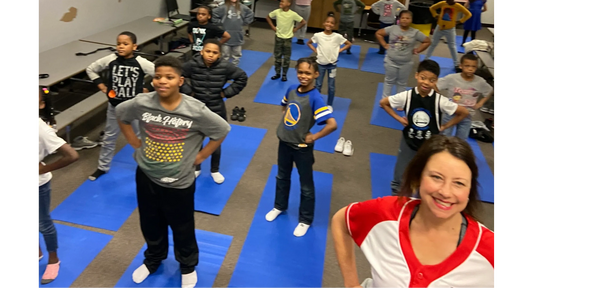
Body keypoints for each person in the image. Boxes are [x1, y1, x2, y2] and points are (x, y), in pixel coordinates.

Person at [116, 56, 231, 291]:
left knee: (182, 226)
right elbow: (121, 114)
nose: (162, 81)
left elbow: (221, 130)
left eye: (169, 77)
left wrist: (200, 157)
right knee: (149, 223)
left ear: (180, 80)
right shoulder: (142, 102)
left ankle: (187, 266)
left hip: (179, 182)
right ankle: (153, 259)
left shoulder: (195, 110)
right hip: (147, 176)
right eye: (158, 76)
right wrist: (133, 140)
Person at [331, 135, 497, 291]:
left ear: (469, 190)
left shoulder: (489, 249)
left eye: (459, 183)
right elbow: (342, 221)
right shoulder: (386, 215)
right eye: (437, 177)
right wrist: (351, 285)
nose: (446, 192)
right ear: (418, 178)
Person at [265, 56, 338, 238]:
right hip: (284, 142)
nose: (303, 76)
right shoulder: (291, 89)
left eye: (307, 73)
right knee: (282, 176)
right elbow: (285, 107)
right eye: (300, 72)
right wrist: (286, 126)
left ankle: (305, 219)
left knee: (306, 184)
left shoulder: (315, 98)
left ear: (315, 74)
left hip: (302, 147)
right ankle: (279, 206)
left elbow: (332, 124)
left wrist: (314, 136)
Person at [379, 59, 469, 195]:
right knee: (401, 171)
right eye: (423, 78)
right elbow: (384, 102)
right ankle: (397, 196)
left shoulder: (439, 100)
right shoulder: (407, 96)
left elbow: (463, 112)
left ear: (436, 81)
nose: (426, 83)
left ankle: (422, 198)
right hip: (409, 140)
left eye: (431, 80)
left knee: (428, 172)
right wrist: (399, 119)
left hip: (430, 145)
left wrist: (445, 126)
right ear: (416, 76)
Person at [86, 31, 155, 181]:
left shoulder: (141, 62)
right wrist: (102, 86)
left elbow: (159, 74)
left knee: (140, 137)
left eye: (125, 44)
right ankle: (102, 167)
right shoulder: (111, 59)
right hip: (115, 107)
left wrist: (148, 88)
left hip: (134, 108)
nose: (121, 47)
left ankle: (146, 166)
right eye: (118, 44)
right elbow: (91, 69)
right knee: (109, 138)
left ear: (134, 46)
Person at [181, 39, 248, 182]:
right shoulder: (192, 64)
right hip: (195, 107)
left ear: (219, 55)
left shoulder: (225, 67)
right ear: (202, 51)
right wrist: (188, 92)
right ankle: (196, 168)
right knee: (195, 139)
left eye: (214, 52)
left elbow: (242, 77)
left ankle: (214, 170)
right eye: (208, 51)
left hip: (216, 107)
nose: (210, 55)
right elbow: (177, 76)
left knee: (216, 140)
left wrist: (225, 93)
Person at [36, 86, 79, 285]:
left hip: (38, 186)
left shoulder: (40, 128)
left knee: (43, 223)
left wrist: (42, 169)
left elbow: (71, 155)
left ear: (41, 104)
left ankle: (53, 259)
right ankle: (36, 250)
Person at [435, 53, 493, 140]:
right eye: (467, 66)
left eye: (473, 67)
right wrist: (440, 99)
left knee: (462, 139)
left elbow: (490, 91)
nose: (470, 69)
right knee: (444, 136)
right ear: (460, 66)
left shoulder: (480, 82)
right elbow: (435, 84)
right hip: (451, 112)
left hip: (467, 114)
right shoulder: (452, 78)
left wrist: (480, 103)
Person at [376, 10, 431, 100]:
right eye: (403, 18)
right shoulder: (393, 28)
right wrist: (385, 45)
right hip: (391, 61)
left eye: (407, 18)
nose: (405, 20)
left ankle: (400, 101)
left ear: (411, 20)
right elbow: (378, 33)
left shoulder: (415, 32)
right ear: (399, 19)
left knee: (402, 82)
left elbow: (427, 41)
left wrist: (418, 50)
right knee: (389, 81)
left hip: (406, 63)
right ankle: (385, 99)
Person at [307, 12, 352, 111]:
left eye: (332, 23)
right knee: (318, 84)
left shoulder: (337, 37)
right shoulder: (318, 35)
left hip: (332, 65)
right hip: (320, 64)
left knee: (331, 86)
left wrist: (339, 50)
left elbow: (348, 43)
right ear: (323, 23)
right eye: (327, 22)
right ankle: (316, 103)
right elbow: (309, 43)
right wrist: (315, 50)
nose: (329, 24)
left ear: (334, 25)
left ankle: (329, 104)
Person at [423, 0, 472, 73]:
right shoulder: (443, 3)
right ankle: (426, 60)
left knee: (452, 46)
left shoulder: (457, 6)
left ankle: (456, 64)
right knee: (433, 43)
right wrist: (435, 15)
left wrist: (460, 21)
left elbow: (468, 14)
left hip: (450, 29)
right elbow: (432, 8)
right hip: (439, 27)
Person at [266, 0, 307, 82]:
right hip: (278, 37)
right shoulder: (277, 12)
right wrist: (273, 27)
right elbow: (268, 17)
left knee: (286, 58)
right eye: (280, 1)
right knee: (277, 57)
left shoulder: (292, 14)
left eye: (283, 1)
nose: (280, 3)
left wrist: (296, 29)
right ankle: (277, 73)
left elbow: (303, 22)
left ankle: (284, 74)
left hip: (288, 39)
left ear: (289, 4)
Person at [212, 0, 254, 67]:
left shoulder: (242, 7)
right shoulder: (223, 7)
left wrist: (244, 22)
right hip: (226, 35)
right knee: (225, 54)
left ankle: (234, 68)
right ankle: (224, 68)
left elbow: (250, 14)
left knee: (237, 54)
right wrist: (221, 22)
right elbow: (214, 14)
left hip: (237, 35)